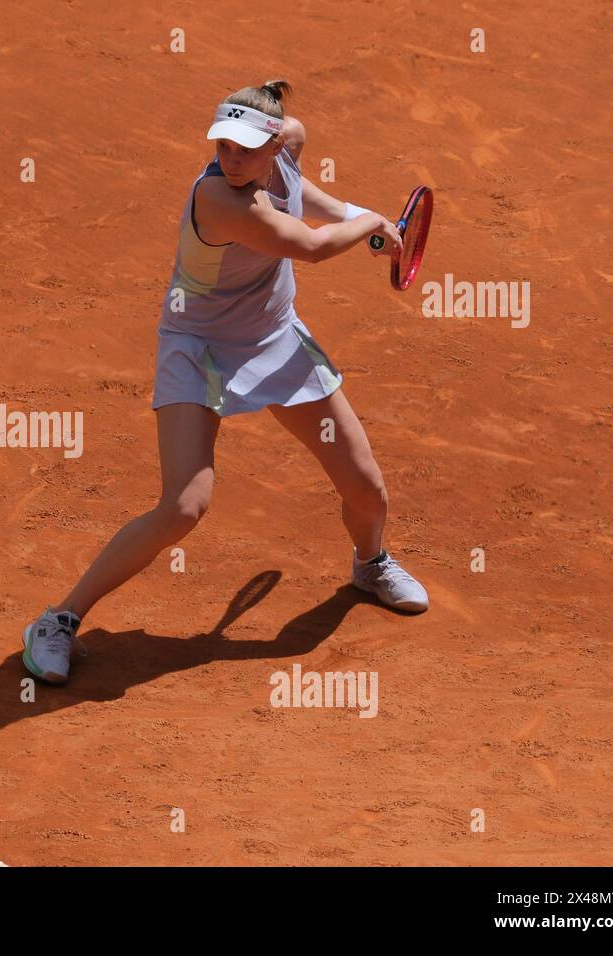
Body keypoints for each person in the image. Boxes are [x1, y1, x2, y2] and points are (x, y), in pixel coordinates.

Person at [22, 80, 429, 686]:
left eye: (245, 149)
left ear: (272, 145)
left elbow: (305, 195)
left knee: (366, 486)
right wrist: (372, 222)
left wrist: (354, 217)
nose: (230, 158)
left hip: (275, 341)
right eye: (223, 146)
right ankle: (58, 619)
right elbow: (312, 248)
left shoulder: (284, 151)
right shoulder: (219, 200)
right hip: (200, 349)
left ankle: (369, 564)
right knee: (184, 506)